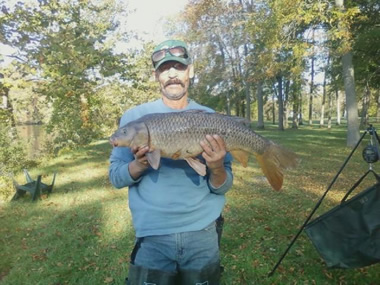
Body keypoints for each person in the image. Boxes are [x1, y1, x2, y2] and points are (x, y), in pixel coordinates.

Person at [109, 39, 234, 285]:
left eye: (178, 67)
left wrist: (216, 166)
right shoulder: (134, 118)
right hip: (152, 234)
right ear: (156, 75)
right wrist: (140, 164)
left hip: (203, 231)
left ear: (191, 71)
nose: (172, 74)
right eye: (165, 69)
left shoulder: (211, 119)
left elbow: (222, 185)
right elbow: (115, 177)